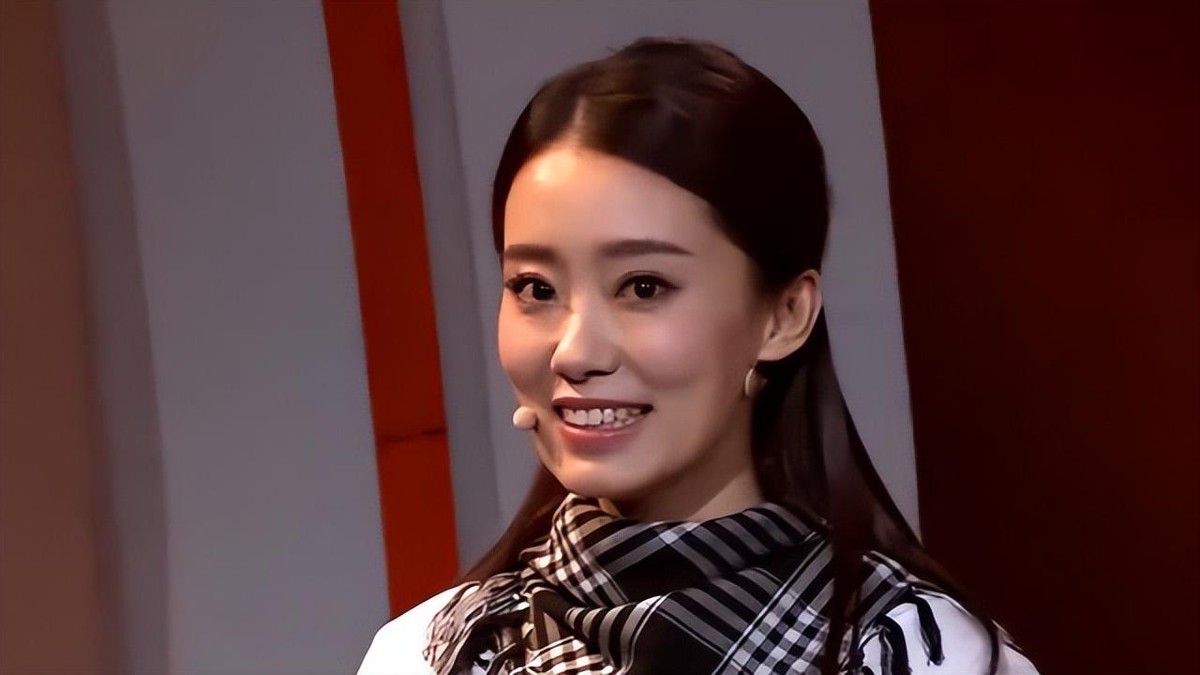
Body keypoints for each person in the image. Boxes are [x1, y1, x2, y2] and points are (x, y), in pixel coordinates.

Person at [359, 37, 1038, 675]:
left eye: (643, 287)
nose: (575, 351)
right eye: (536, 288)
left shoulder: (920, 654)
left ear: (785, 316)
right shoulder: (431, 652)